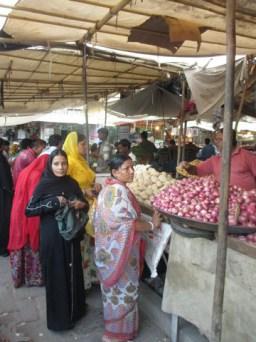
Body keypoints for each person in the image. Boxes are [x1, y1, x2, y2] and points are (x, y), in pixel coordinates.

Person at [94, 155, 161, 342]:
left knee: (113, 292)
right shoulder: (118, 192)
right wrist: (152, 225)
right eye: (127, 168)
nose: (132, 171)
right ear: (115, 172)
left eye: (133, 167)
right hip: (121, 255)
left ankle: (114, 327)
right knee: (124, 290)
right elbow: (128, 224)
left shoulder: (109, 188)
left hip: (110, 251)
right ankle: (119, 333)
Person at [25, 149, 88, 331]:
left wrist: (81, 204)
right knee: (57, 275)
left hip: (71, 235)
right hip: (52, 237)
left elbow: (85, 203)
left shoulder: (72, 182)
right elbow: (29, 209)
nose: (61, 167)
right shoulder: (43, 184)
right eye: (57, 164)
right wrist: (53, 202)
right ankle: (59, 320)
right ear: (50, 165)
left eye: (64, 163)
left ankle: (76, 311)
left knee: (73, 272)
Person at [8, 134, 62, 288]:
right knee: (32, 245)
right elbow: (36, 203)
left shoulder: (28, 171)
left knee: (22, 246)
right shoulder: (37, 176)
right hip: (29, 216)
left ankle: (20, 278)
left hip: (18, 215)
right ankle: (35, 278)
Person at [63, 131, 100, 289]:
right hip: (77, 211)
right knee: (81, 245)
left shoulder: (81, 161)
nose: (86, 147)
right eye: (82, 144)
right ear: (73, 144)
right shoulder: (68, 163)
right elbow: (65, 187)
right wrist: (84, 191)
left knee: (89, 244)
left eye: (86, 143)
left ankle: (90, 278)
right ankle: (80, 283)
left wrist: (94, 186)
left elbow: (87, 181)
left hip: (89, 207)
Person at [180, 129, 256, 190]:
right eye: (215, 140)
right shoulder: (215, 159)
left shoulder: (247, 156)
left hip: (247, 203)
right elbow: (197, 171)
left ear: (230, 140)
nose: (216, 142)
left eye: (219, 139)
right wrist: (188, 167)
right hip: (223, 202)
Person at [0, 138, 13, 256]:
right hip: (3, 195)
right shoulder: (1, 159)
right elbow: (5, 179)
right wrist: (10, 192)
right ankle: (2, 248)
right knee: (4, 220)